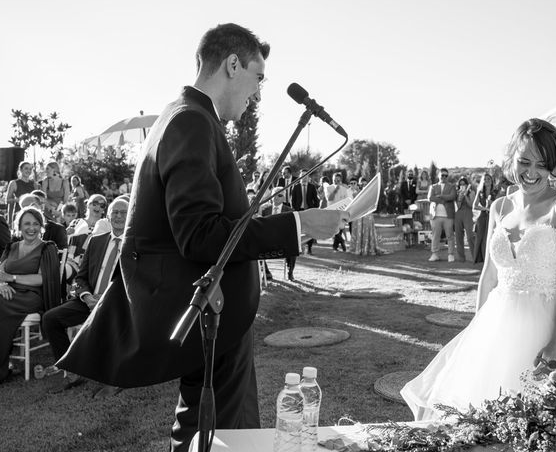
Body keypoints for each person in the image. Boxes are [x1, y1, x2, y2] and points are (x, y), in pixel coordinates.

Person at [57, 23, 347, 451]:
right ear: (232, 64)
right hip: (204, 313)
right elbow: (201, 235)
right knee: (214, 437)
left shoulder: (189, 117)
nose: (260, 93)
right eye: (258, 77)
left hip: (222, 319)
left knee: (233, 434)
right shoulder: (190, 122)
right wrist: (299, 225)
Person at [400, 118, 556, 421]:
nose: (531, 172)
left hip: (549, 327)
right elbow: (489, 275)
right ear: (511, 155)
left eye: (542, 165)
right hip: (496, 326)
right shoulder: (499, 207)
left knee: (547, 420)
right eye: (524, 161)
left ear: (552, 166)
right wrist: (476, 332)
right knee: (485, 419)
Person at [42, 198, 129, 393]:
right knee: (50, 319)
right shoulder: (97, 241)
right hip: (88, 300)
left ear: (131, 214)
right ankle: (72, 372)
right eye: (115, 212)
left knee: (114, 324)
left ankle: (114, 375)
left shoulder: (136, 245)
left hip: (117, 302)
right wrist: (88, 297)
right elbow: (81, 277)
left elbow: (137, 282)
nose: (118, 216)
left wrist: (106, 298)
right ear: (108, 215)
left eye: (124, 212)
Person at [0, 207, 61, 383]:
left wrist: (11, 278)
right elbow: (0, 271)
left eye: (36, 223)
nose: (31, 228)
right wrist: (2, 284)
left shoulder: (46, 248)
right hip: (7, 293)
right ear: (19, 226)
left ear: (41, 226)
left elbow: (43, 279)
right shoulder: (11, 247)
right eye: (27, 223)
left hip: (32, 296)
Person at [261, 187, 296, 280]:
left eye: (280, 195)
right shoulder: (265, 210)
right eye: (274, 195)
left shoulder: (290, 211)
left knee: (294, 246)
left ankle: (290, 272)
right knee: (255, 246)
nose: (276, 197)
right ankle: (267, 272)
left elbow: (291, 229)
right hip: (267, 241)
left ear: (284, 198)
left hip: (283, 241)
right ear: (271, 197)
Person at [427, 168, 456, 262]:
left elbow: (452, 196)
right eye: (442, 175)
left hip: (448, 216)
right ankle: (434, 254)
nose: (443, 177)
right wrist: (443, 200)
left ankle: (450, 254)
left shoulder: (452, 186)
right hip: (435, 215)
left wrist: (441, 196)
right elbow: (430, 198)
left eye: (445, 175)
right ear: (438, 175)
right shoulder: (433, 186)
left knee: (450, 236)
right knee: (435, 236)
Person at [349, 177, 382, 256]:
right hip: (359, 216)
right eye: (362, 184)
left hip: (367, 215)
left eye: (365, 184)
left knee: (367, 230)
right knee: (359, 231)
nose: (364, 186)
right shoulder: (356, 193)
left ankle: (368, 248)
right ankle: (358, 248)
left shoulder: (370, 193)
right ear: (359, 184)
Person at [291, 169, 320, 254]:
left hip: (309, 211)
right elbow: (293, 200)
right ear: (300, 177)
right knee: (299, 230)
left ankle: (309, 248)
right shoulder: (296, 187)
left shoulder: (312, 187)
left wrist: (314, 208)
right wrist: (295, 210)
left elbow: (316, 200)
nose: (304, 178)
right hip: (299, 211)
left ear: (308, 177)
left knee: (310, 230)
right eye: (303, 176)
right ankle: (299, 247)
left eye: (306, 176)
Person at [324, 172, 350, 252]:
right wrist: (336, 189)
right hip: (332, 212)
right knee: (334, 229)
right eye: (335, 180)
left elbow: (347, 201)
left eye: (338, 180)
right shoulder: (328, 188)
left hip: (341, 212)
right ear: (332, 180)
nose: (336, 181)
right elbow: (329, 199)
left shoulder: (344, 189)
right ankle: (342, 241)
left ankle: (335, 246)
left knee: (340, 229)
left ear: (340, 180)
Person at [472, 173, 494, 263]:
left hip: (492, 217)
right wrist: (485, 208)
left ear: (492, 180)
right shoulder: (480, 192)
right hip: (482, 216)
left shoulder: (496, 191)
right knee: (480, 238)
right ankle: (481, 259)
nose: (487, 180)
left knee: (489, 237)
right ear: (483, 181)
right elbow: (474, 206)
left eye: (489, 179)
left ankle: (490, 259)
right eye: (485, 179)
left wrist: (491, 204)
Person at [5, 161, 36, 226]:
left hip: (32, 215)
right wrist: (17, 200)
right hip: (18, 214)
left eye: (30, 169)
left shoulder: (34, 184)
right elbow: (7, 200)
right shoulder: (13, 183)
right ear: (21, 169)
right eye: (26, 168)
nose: (28, 171)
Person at [454, 176, 475, 262]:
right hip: (458, 213)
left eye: (464, 184)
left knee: (470, 236)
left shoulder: (471, 192)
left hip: (468, 212)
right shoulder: (457, 192)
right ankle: (461, 257)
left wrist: (465, 195)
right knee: (458, 235)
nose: (462, 186)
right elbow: (457, 206)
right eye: (461, 184)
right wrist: (459, 197)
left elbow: (471, 205)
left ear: (467, 184)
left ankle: (475, 256)